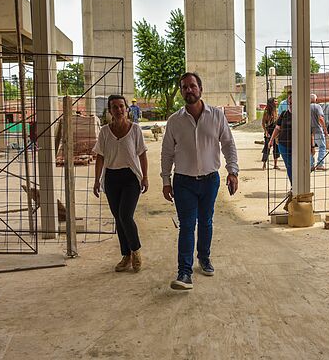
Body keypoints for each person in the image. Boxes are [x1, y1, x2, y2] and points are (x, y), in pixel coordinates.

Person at [161, 72, 239, 291]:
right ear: (181, 91)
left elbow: (228, 145)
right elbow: (167, 153)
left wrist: (232, 171)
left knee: (206, 221)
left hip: (210, 180)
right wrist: (166, 180)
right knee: (187, 225)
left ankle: (204, 257)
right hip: (183, 182)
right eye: (184, 87)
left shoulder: (216, 116)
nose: (189, 90)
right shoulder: (174, 121)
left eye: (192, 86)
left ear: (200, 89)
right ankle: (184, 272)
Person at [93, 95, 149, 273]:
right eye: (114, 107)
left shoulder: (135, 130)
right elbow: (100, 156)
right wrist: (96, 180)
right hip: (111, 178)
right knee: (118, 218)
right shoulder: (104, 132)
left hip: (131, 177)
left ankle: (136, 251)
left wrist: (145, 176)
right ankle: (125, 256)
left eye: (121, 106)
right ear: (110, 111)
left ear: (127, 109)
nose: (118, 110)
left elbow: (142, 154)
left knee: (125, 215)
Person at [269, 93, 293, 184]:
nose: (291, 104)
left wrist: (311, 145)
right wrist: (271, 140)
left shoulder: (301, 115)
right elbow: (277, 128)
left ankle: (298, 185)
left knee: (296, 166)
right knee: (289, 166)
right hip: (284, 145)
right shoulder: (283, 114)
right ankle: (293, 186)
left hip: (297, 145)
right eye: (290, 103)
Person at [261, 97, 280, 170]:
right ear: (271, 103)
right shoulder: (266, 112)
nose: (276, 103)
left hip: (275, 131)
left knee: (276, 148)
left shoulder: (276, 110)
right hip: (269, 131)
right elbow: (263, 123)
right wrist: (266, 132)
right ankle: (264, 164)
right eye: (275, 101)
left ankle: (275, 165)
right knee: (267, 148)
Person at [310, 93, 328, 171]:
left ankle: (311, 165)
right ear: (316, 99)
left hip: (308, 131)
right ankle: (320, 164)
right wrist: (325, 129)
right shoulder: (317, 106)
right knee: (322, 146)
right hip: (317, 130)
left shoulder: (304, 106)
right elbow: (320, 118)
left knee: (309, 147)